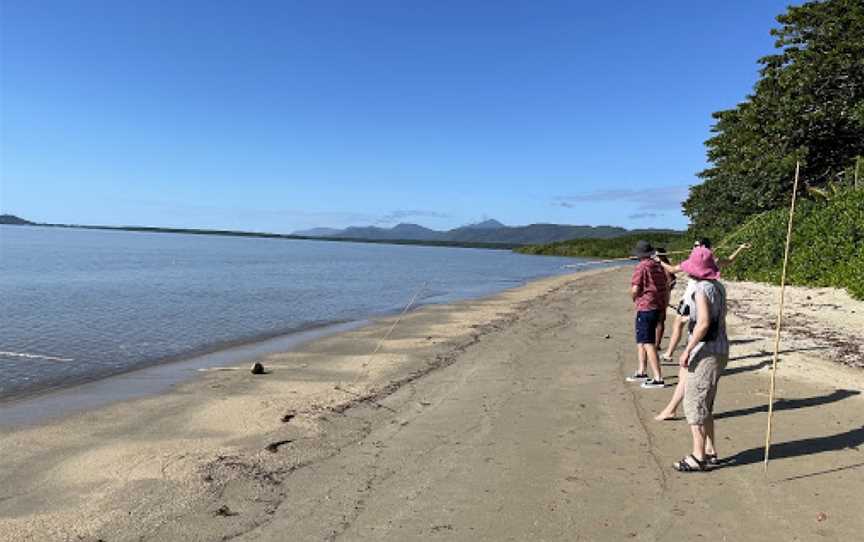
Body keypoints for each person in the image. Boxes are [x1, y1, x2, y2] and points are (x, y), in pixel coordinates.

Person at [654, 240, 750, 421]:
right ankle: (672, 408)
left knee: (689, 374)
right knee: (685, 365)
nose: (695, 247)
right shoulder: (713, 279)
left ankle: (673, 409)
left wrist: (659, 261)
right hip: (697, 311)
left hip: (700, 317)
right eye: (695, 245)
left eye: (699, 245)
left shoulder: (706, 282)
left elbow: (705, 323)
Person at [671, 246, 729, 472]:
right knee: (706, 405)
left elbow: (704, 323)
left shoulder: (702, 290)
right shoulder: (718, 286)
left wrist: (688, 349)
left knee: (694, 404)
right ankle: (711, 451)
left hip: (707, 351)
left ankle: (698, 456)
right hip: (721, 349)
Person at [626, 240, 668, 389]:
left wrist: (633, 297)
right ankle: (642, 371)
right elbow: (665, 287)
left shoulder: (641, 267)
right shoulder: (658, 266)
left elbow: (635, 289)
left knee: (648, 343)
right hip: (657, 306)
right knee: (642, 340)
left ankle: (658, 378)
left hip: (646, 308)